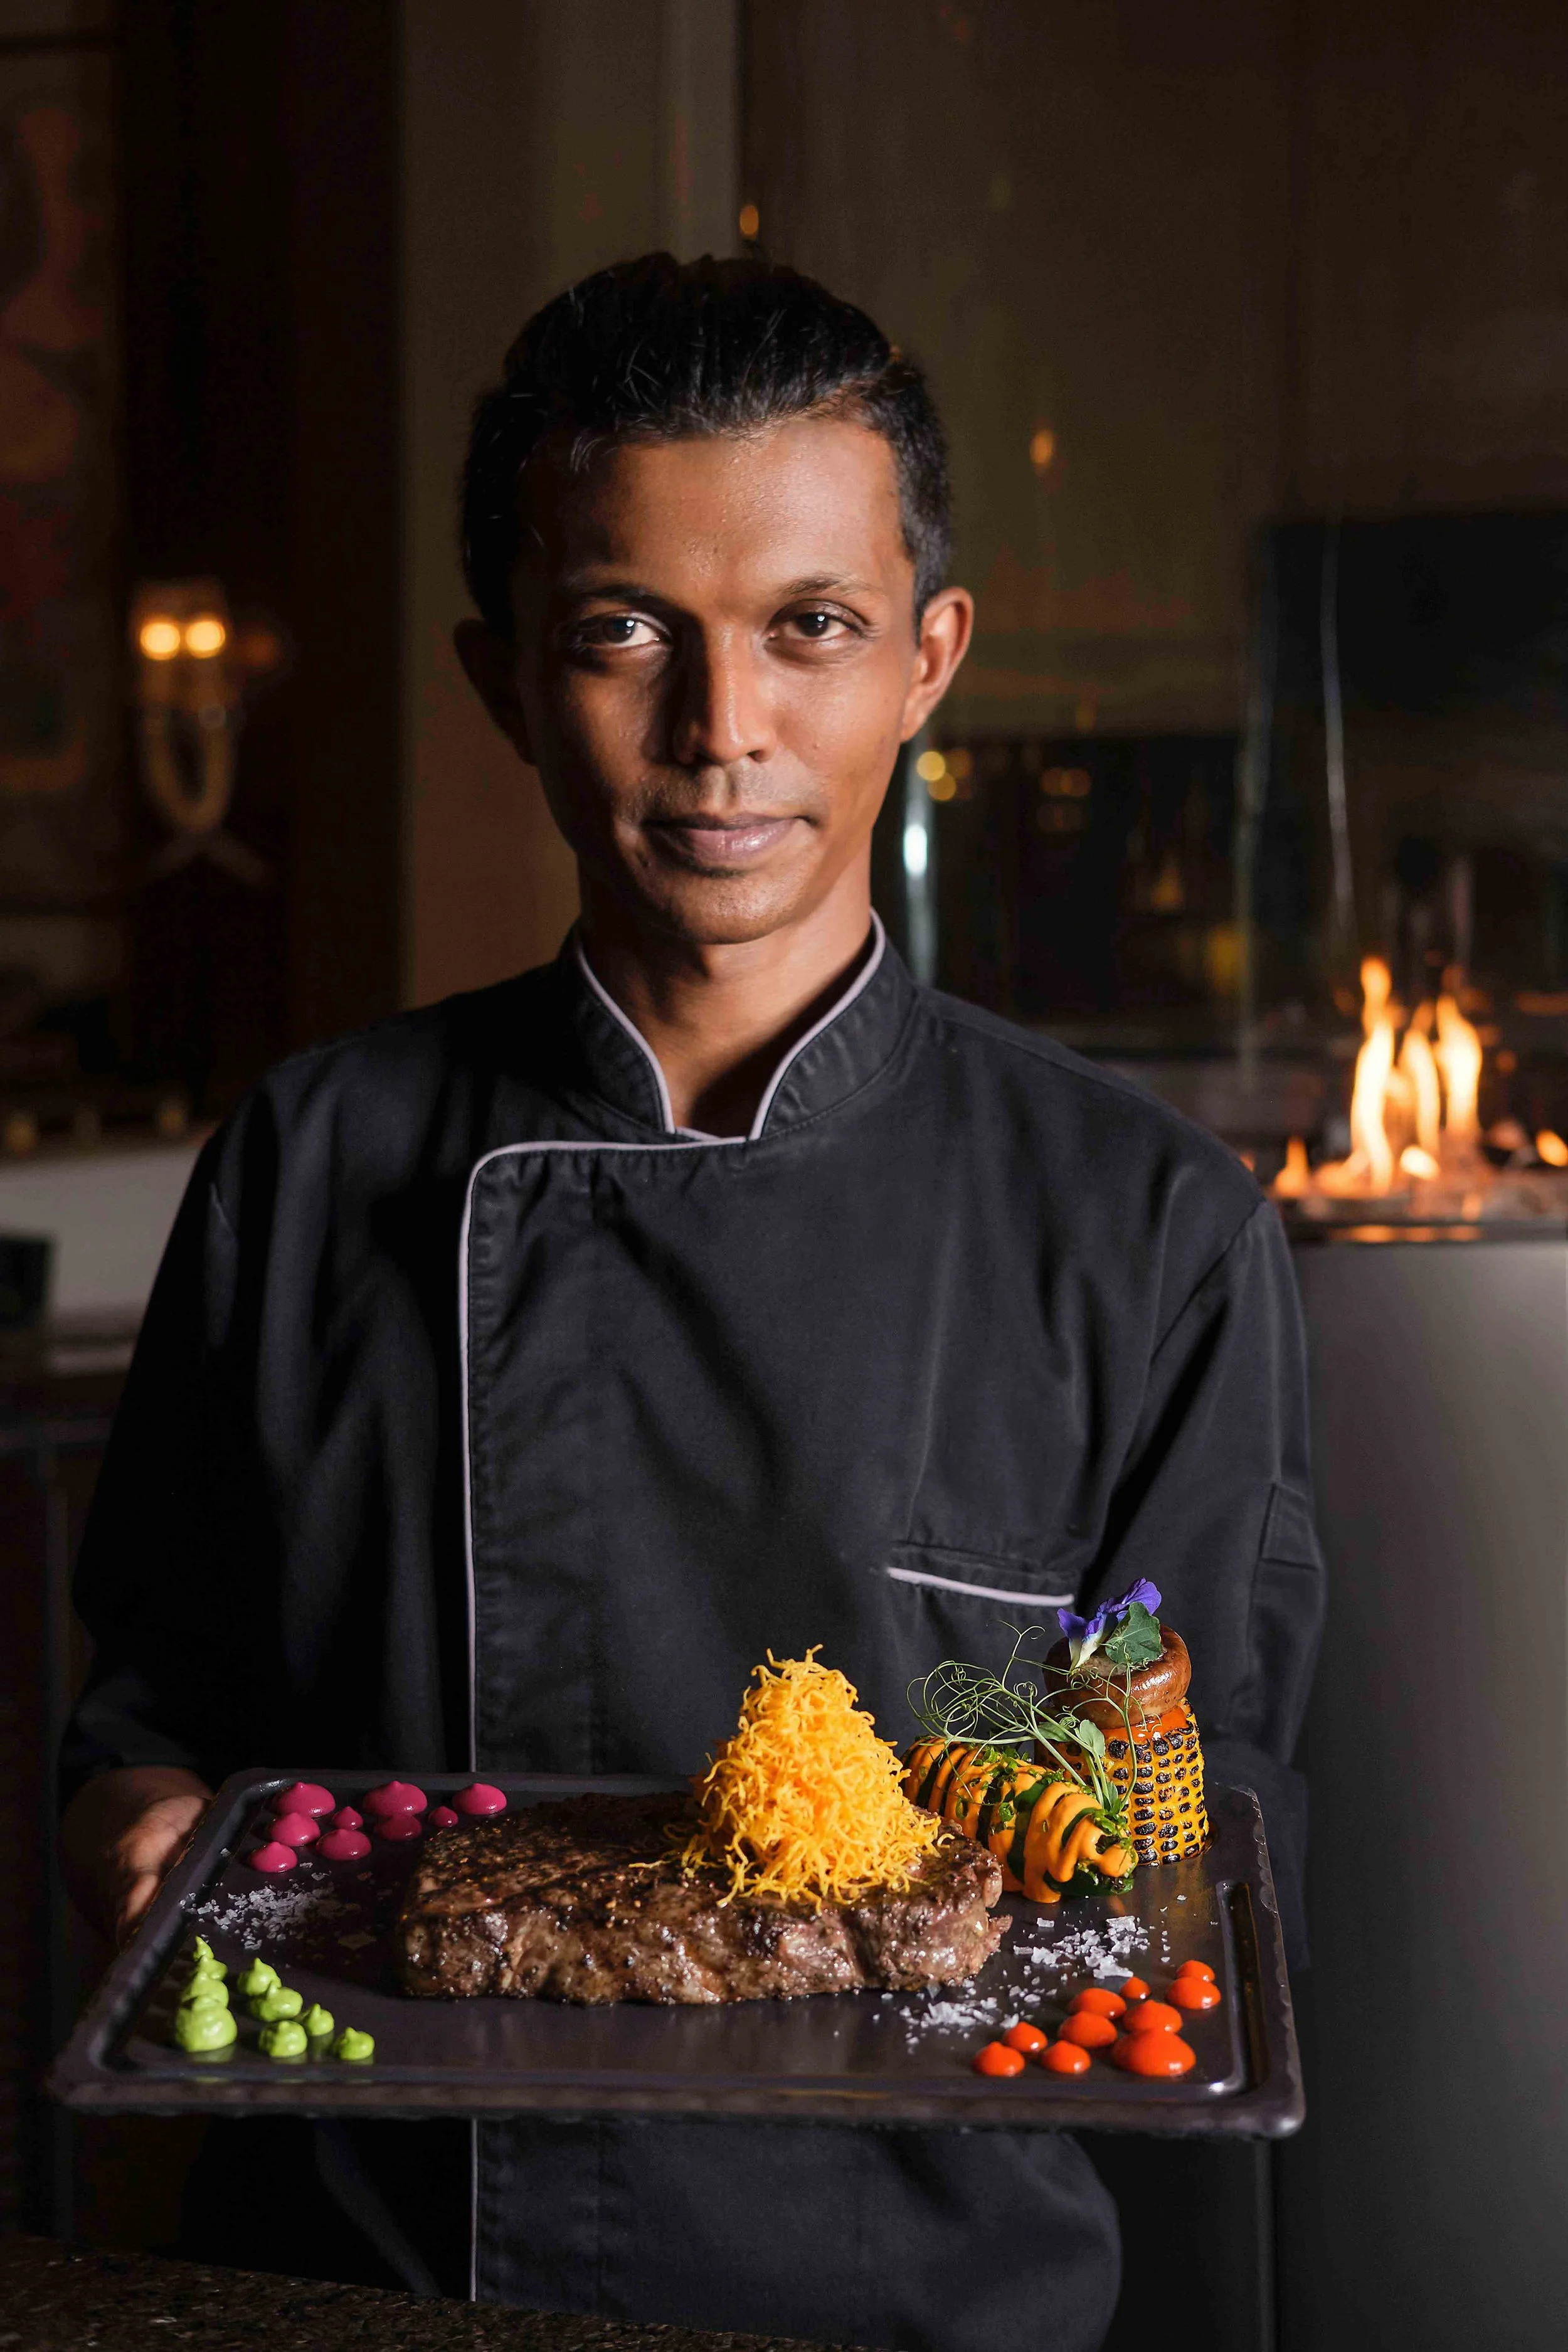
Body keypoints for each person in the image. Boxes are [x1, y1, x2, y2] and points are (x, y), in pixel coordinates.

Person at [61, 254, 1324, 2352]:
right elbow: (153, 1707)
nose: (721, 729)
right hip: (361, 2274)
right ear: (501, 679)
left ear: (927, 658)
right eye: (620, 632)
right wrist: (138, 1826)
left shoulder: (1147, 1230)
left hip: (909, 2302)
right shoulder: (313, 1158)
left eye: (808, 628)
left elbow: (1191, 1874)